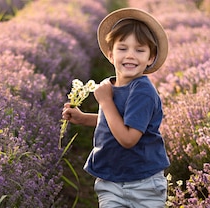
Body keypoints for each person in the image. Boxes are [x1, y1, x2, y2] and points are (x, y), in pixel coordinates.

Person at [61, 8, 170, 208]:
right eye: (123, 48)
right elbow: (117, 119)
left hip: (143, 183)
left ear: (150, 57)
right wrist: (84, 118)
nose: (130, 55)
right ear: (111, 55)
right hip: (111, 180)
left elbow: (128, 138)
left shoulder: (142, 92)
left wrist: (105, 102)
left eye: (139, 50)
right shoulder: (112, 86)